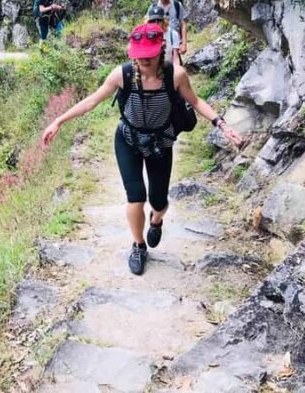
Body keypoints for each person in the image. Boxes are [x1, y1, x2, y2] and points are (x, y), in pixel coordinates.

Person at [41, 22, 242, 275]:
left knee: (159, 200)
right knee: (135, 195)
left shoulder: (175, 75)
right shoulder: (122, 74)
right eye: (139, 56)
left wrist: (222, 125)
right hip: (128, 139)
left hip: (160, 142)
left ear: (161, 50)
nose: (144, 60)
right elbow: (92, 100)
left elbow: (196, 101)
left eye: (149, 55)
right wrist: (58, 121)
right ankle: (138, 245)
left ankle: (156, 220)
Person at [148, 0, 187, 66]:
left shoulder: (177, 5)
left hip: (175, 40)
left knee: (176, 64)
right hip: (158, 41)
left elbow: (183, 24)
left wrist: (184, 43)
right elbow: (147, 24)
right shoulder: (153, 8)